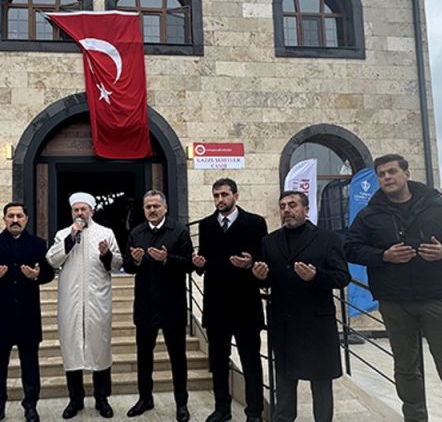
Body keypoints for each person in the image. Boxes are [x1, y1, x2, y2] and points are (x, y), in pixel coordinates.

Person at [344, 154, 442, 422]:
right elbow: (350, 248)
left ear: (406, 174)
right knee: (406, 369)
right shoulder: (370, 214)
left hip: (438, 298)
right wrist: (383, 256)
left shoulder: (440, 207)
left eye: (392, 172)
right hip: (394, 301)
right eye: (381, 174)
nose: (387, 177)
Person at [252, 191, 350, 422]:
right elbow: (268, 279)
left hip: (316, 322)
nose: (287, 210)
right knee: (284, 378)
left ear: (306, 209)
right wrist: (259, 276)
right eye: (283, 206)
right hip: (284, 321)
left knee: (320, 380)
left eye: (292, 205)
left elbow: (342, 277)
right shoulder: (269, 241)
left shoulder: (328, 239)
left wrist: (316, 276)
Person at [0, 203, 55, 422]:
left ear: (26, 218)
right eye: (11, 216)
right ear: (4, 219)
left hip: (28, 315)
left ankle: (31, 406)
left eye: (19, 215)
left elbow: (48, 275)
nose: (15, 219)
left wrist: (36, 275)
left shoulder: (37, 244)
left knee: (30, 365)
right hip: (0, 315)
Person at [193, 178, 267, 422]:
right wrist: (199, 264)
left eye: (224, 194)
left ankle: (254, 412)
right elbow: (205, 259)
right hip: (216, 305)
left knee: (251, 362)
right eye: (216, 195)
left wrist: (250, 263)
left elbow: (264, 259)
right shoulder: (206, 225)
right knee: (218, 361)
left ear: (236, 195)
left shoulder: (255, 223)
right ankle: (222, 408)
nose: (220, 200)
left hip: (246, 304)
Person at [46, 192, 123, 419]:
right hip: (71, 303)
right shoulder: (62, 234)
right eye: (76, 210)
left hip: (97, 301)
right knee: (72, 351)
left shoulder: (105, 233)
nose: (80, 213)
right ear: (72, 212)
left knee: (99, 351)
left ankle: (102, 399)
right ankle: (75, 400)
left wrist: (106, 255)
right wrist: (71, 238)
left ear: (92, 211)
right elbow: (52, 259)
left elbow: (118, 264)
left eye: (83, 209)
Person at [123, 190, 194, 422]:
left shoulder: (179, 231)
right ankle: (145, 398)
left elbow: (189, 264)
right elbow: (128, 267)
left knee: (177, 358)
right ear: (143, 210)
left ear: (165, 208)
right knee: (144, 356)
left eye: (156, 206)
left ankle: (181, 404)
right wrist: (134, 260)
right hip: (145, 305)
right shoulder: (136, 233)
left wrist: (166, 259)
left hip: (172, 305)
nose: (152, 210)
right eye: (148, 207)